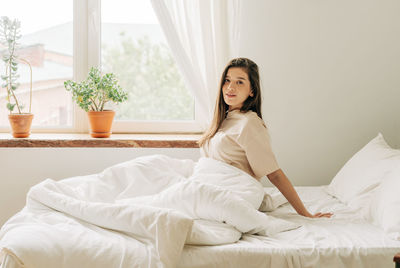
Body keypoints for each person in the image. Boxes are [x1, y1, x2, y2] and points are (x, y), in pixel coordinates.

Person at [198, 58, 332, 218]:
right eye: (227, 80)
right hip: (213, 187)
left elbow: (274, 174)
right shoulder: (222, 121)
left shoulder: (249, 123)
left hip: (234, 194)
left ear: (252, 91)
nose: (230, 87)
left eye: (239, 82)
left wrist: (304, 213)